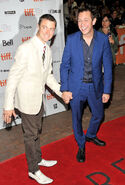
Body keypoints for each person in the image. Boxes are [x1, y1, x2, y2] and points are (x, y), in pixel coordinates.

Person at [3, 14, 62, 184]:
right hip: (27, 101)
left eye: (52, 29)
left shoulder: (47, 49)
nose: (48, 32)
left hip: (38, 100)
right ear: (38, 26)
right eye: (45, 27)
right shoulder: (25, 48)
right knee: (30, 136)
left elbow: (48, 77)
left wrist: (61, 92)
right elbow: (13, 78)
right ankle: (33, 170)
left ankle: (38, 159)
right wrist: (8, 106)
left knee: (36, 133)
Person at [60, 8, 113, 163]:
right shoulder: (71, 39)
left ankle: (90, 135)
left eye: (86, 20)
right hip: (76, 87)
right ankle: (81, 144)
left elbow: (108, 67)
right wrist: (65, 88)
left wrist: (107, 90)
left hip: (95, 86)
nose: (82, 24)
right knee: (76, 118)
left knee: (99, 115)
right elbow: (64, 66)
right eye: (79, 20)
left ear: (94, 21)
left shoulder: (103, 40)